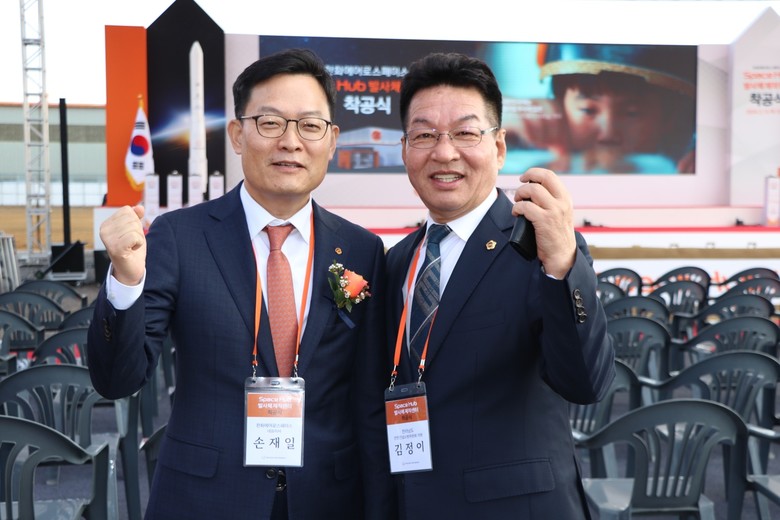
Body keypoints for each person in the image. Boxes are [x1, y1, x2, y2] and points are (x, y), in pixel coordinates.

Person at [88, 48, 393, 520]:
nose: (291, 142)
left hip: (329, 499)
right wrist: (125, 282)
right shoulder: (181, 237)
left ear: (332, 140)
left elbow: (369, 397)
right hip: (205, 499)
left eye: (310, 125)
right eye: (270, 123)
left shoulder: (361, 250)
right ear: (237, 134)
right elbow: (117, 380)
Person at [385, 52, 615, 519]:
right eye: (424, 135)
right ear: (405, 149)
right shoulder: (398, 261)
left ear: (499, 147)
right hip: (415, 501)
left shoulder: (539, 246)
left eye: (465, 133)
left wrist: (563, 265)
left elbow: (587, 382)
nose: (444, 153)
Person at [503, 43, 697, 174]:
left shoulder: (686, 165)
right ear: (560, 105)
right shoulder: (527, 153)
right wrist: (498, 120)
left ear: (671, 117)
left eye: (632, 113)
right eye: (588, 110)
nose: (608, 134)